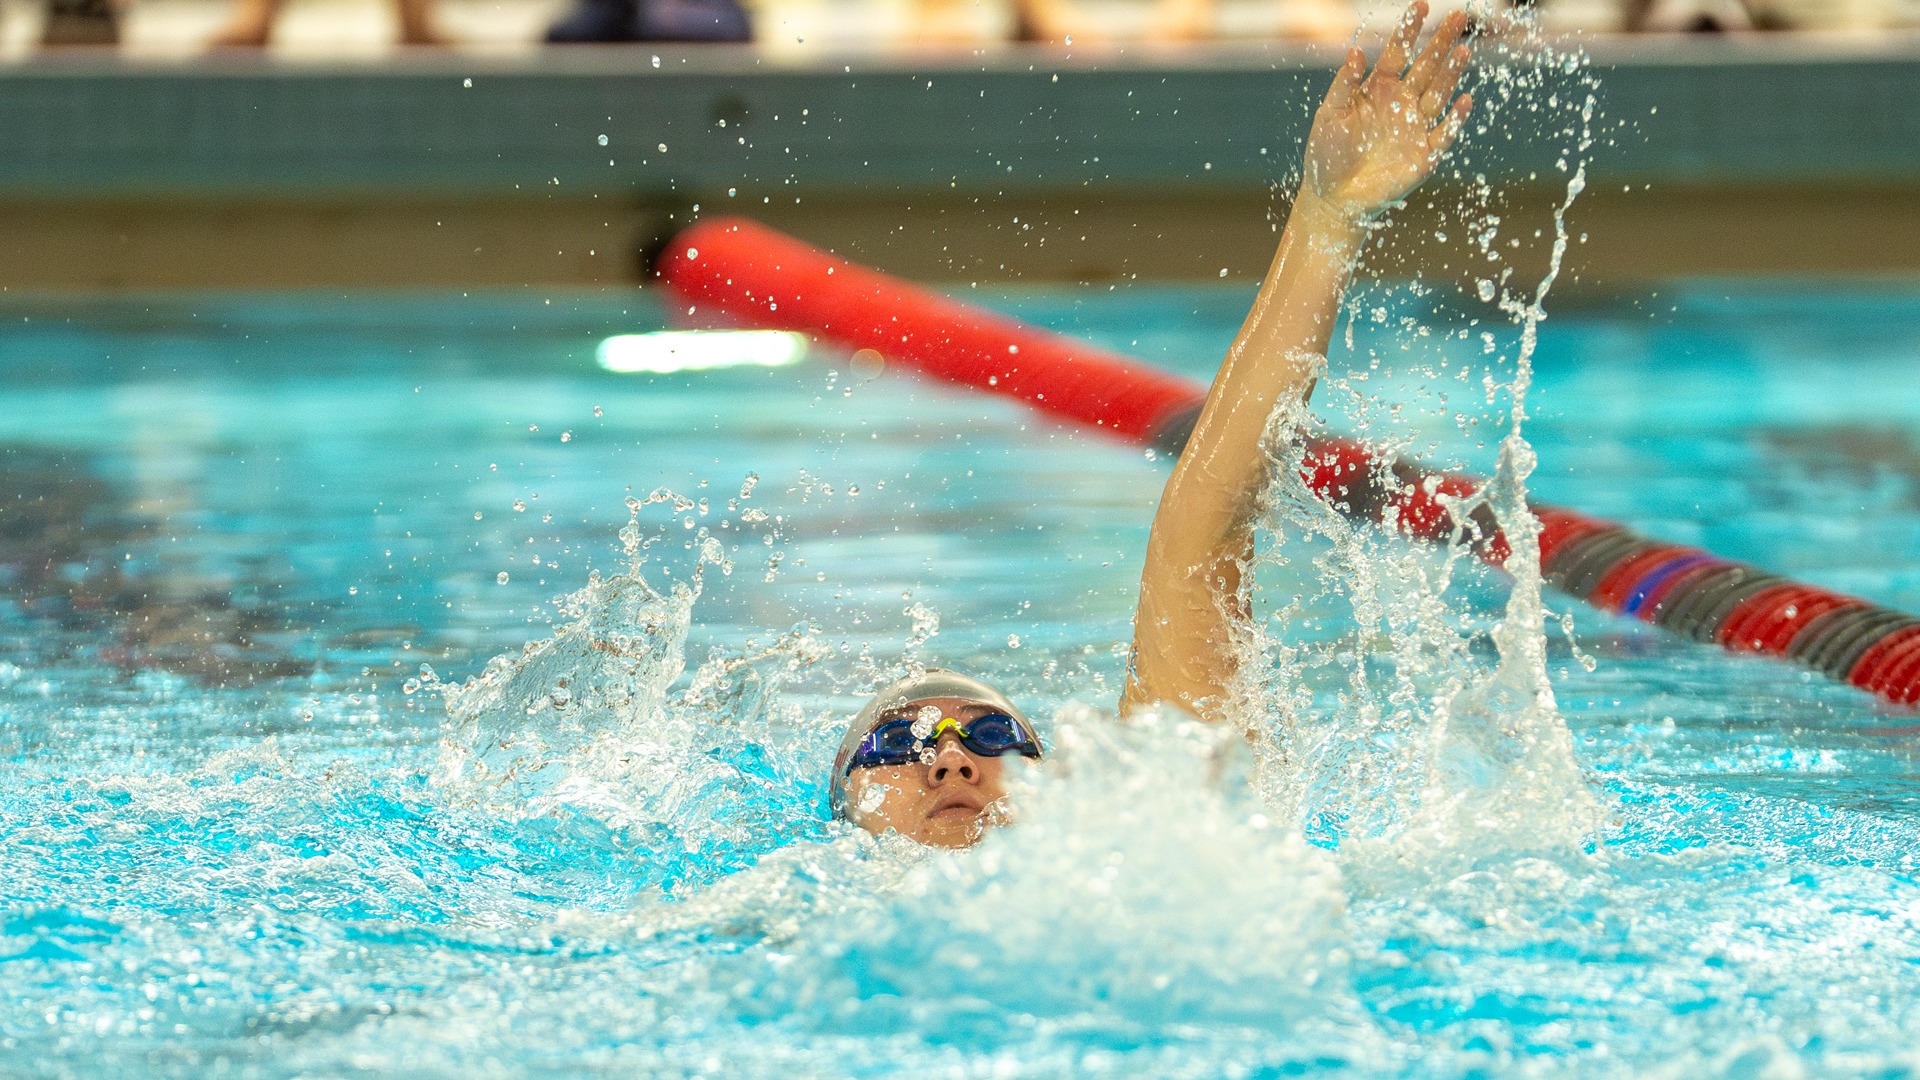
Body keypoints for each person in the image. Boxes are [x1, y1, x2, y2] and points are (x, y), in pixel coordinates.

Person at [832, 2, 1476, 849]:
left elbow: (1199, 540)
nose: (951, 764)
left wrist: (1327, 220)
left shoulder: (1132, 851)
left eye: (993, 738)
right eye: (899, 742)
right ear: (838, 816)